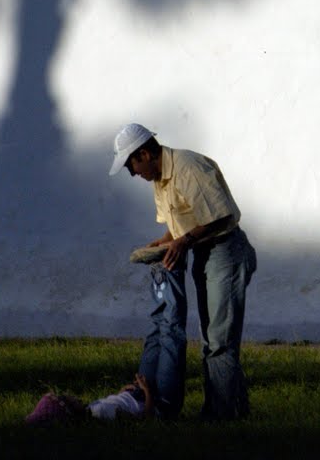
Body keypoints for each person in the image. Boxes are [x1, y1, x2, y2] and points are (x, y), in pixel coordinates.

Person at [110, 122, 257, 420]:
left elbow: (220, 216)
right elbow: (178, 225)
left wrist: (184, 241)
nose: (133, 173)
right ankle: (234, 411)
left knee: (218, 342)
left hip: (225, 251)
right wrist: (162, 243)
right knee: (213, 338)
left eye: (131, 165)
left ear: (145, 154)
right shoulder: (160, 180)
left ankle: (222, 417)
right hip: (204, 252)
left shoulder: (188, 167)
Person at [25, 372, 154, 425]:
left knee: (155, 336)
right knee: (167, 338)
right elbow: (143, 419)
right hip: (150, 400)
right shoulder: (100, 412)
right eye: (65, 397)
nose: (70, 395)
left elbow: (117, 404)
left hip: (136, 393)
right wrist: (147, 391)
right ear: (68, 408)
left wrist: (121, 392)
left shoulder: (91, 409)